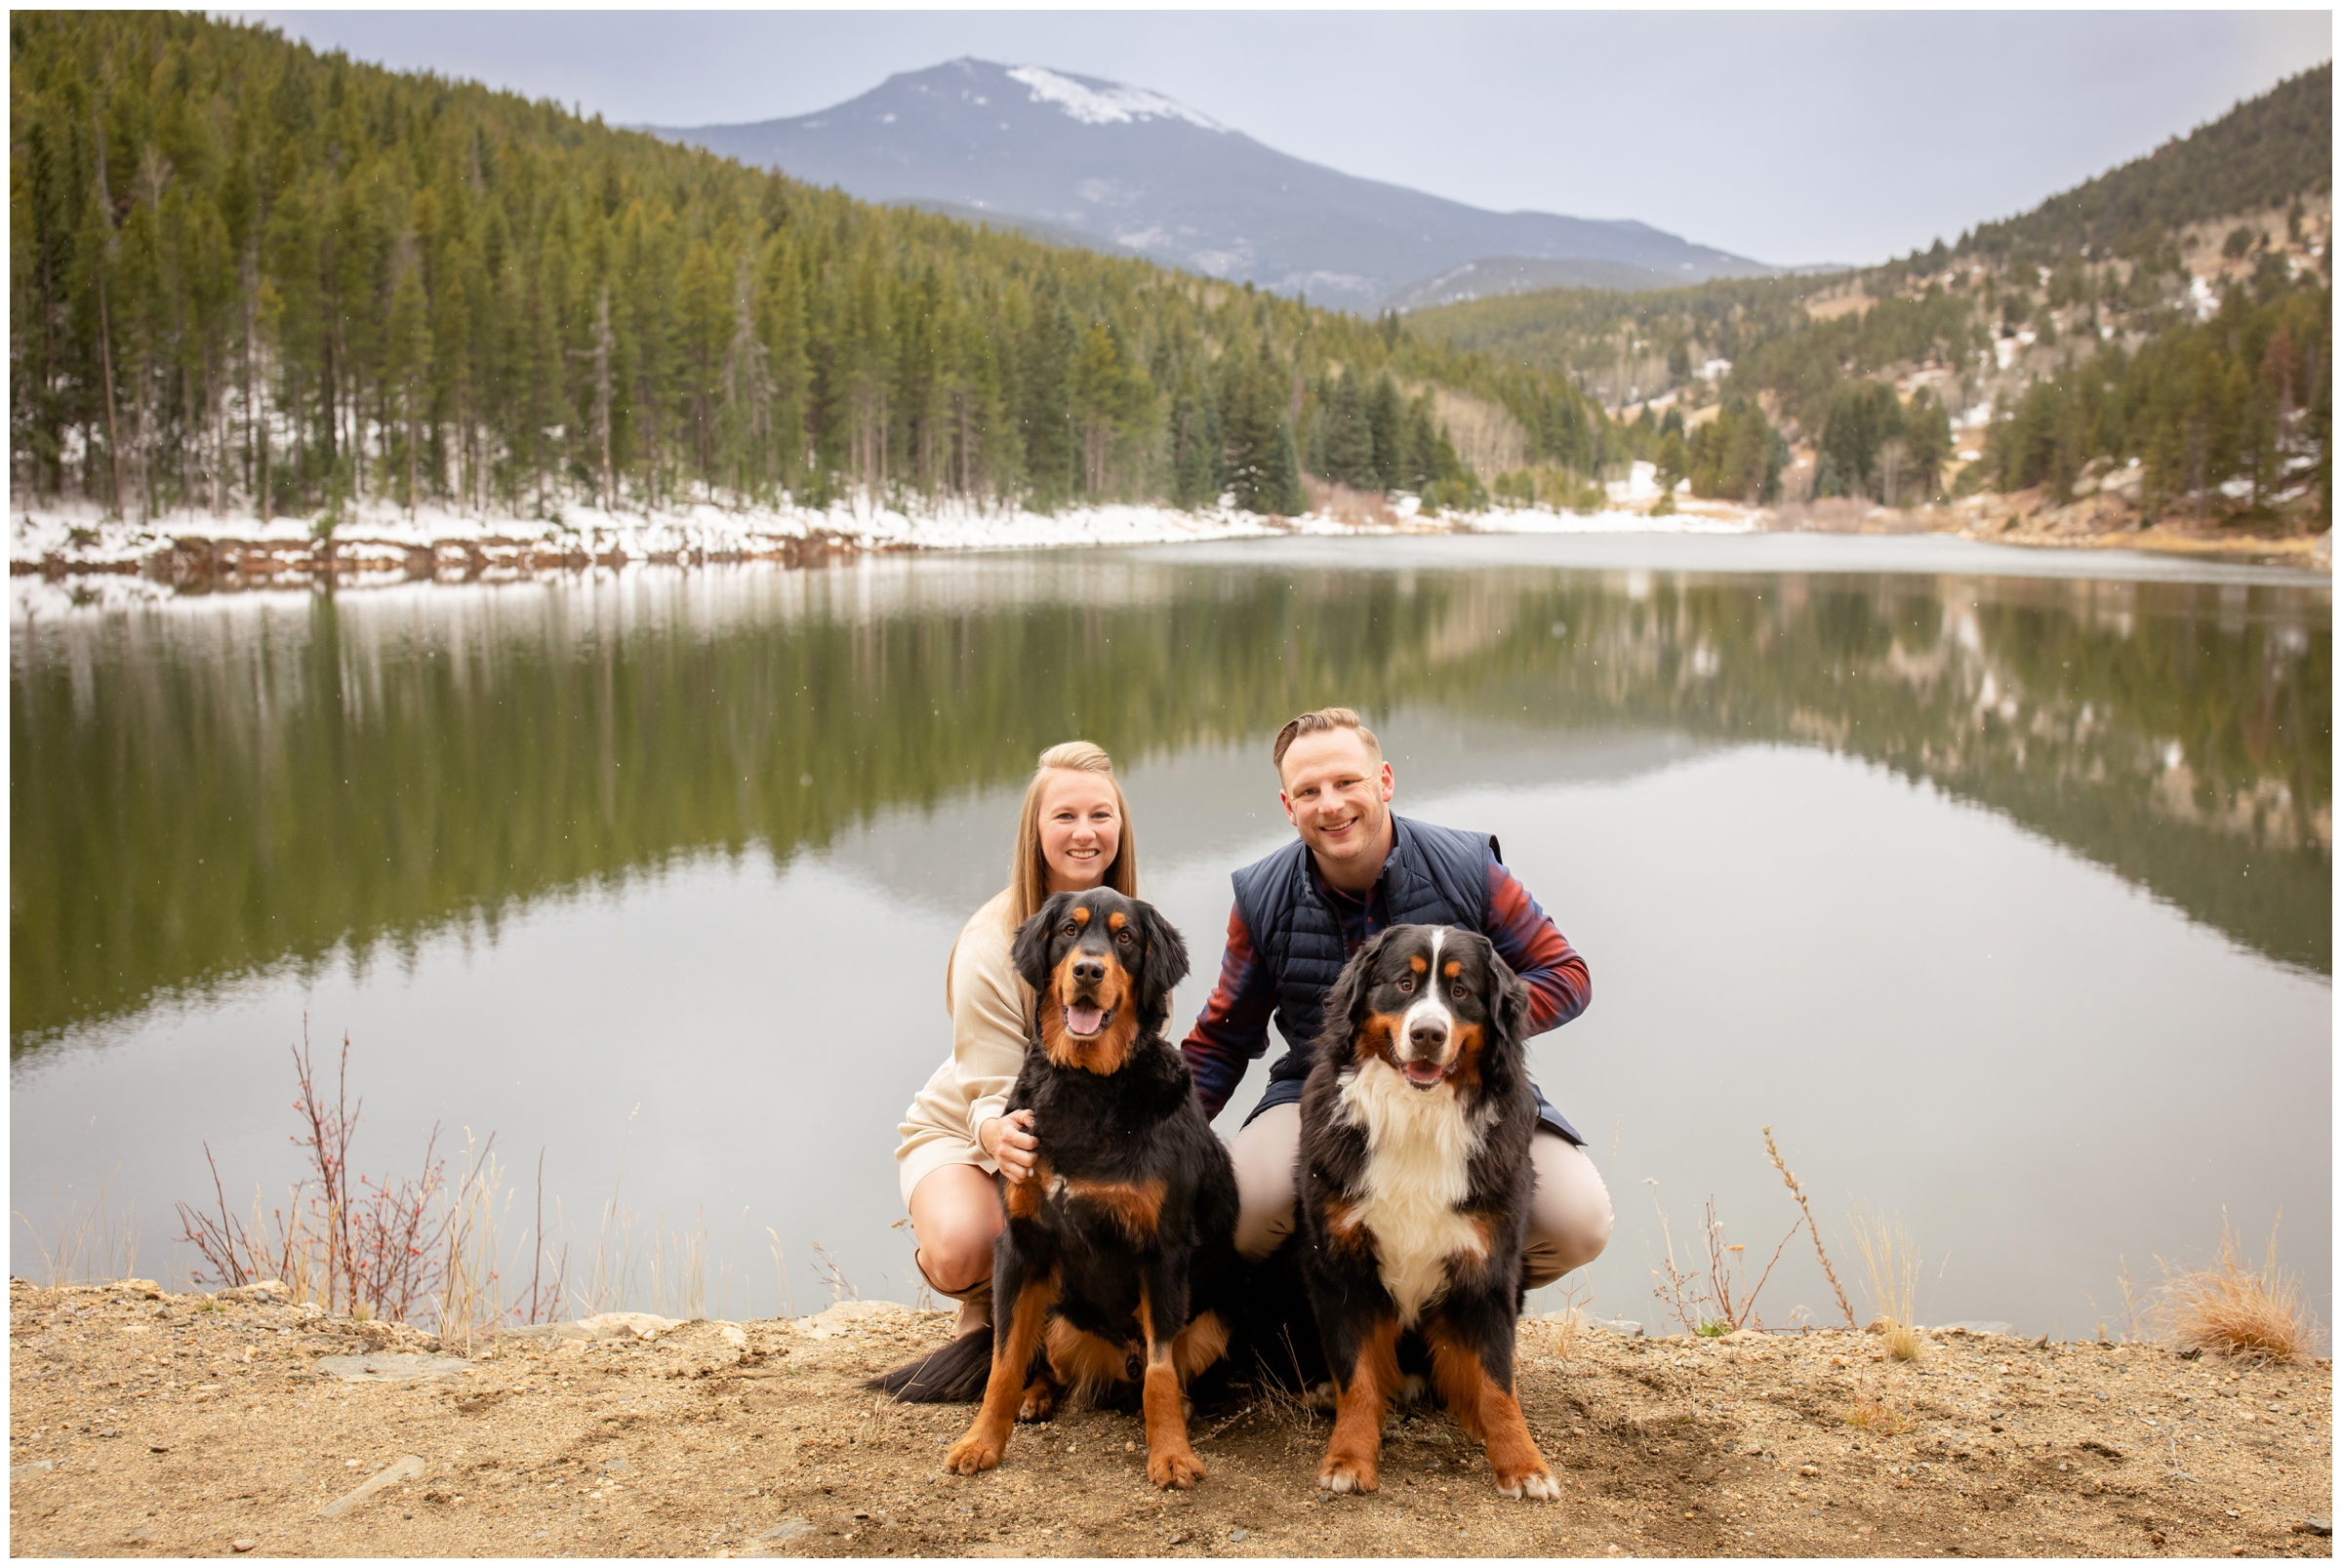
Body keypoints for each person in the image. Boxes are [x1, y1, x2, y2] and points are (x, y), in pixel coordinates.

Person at [1181, 707, 1612, 1288]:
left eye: (1346, 782)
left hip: (1467, 1088)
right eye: (1308, 791)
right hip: (1323, 1089)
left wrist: (1470, 1035)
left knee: (1576, 1223)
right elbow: (1223, 1038)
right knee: (1240, 1216)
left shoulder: (1466, 869)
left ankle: (1457, 1304)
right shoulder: (1261, 896)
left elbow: (1566, 972)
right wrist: (1157, 1135)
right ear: (1289, 807)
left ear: (1383, 781)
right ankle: (1323, 1305)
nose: (1330, 804)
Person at [895, 741, 1139, 1337]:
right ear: (1035, 830)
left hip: (1079, 1120)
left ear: (1120, 827)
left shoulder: (1132, 931)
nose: (1085, 833)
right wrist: (996, 1135)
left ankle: (1054, 1305)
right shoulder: (989, 942)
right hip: (975, 1124)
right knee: (965, 1246)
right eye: (1065, 816)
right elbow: (991, 1092)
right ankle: (988, 1297)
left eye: (1100, 815)